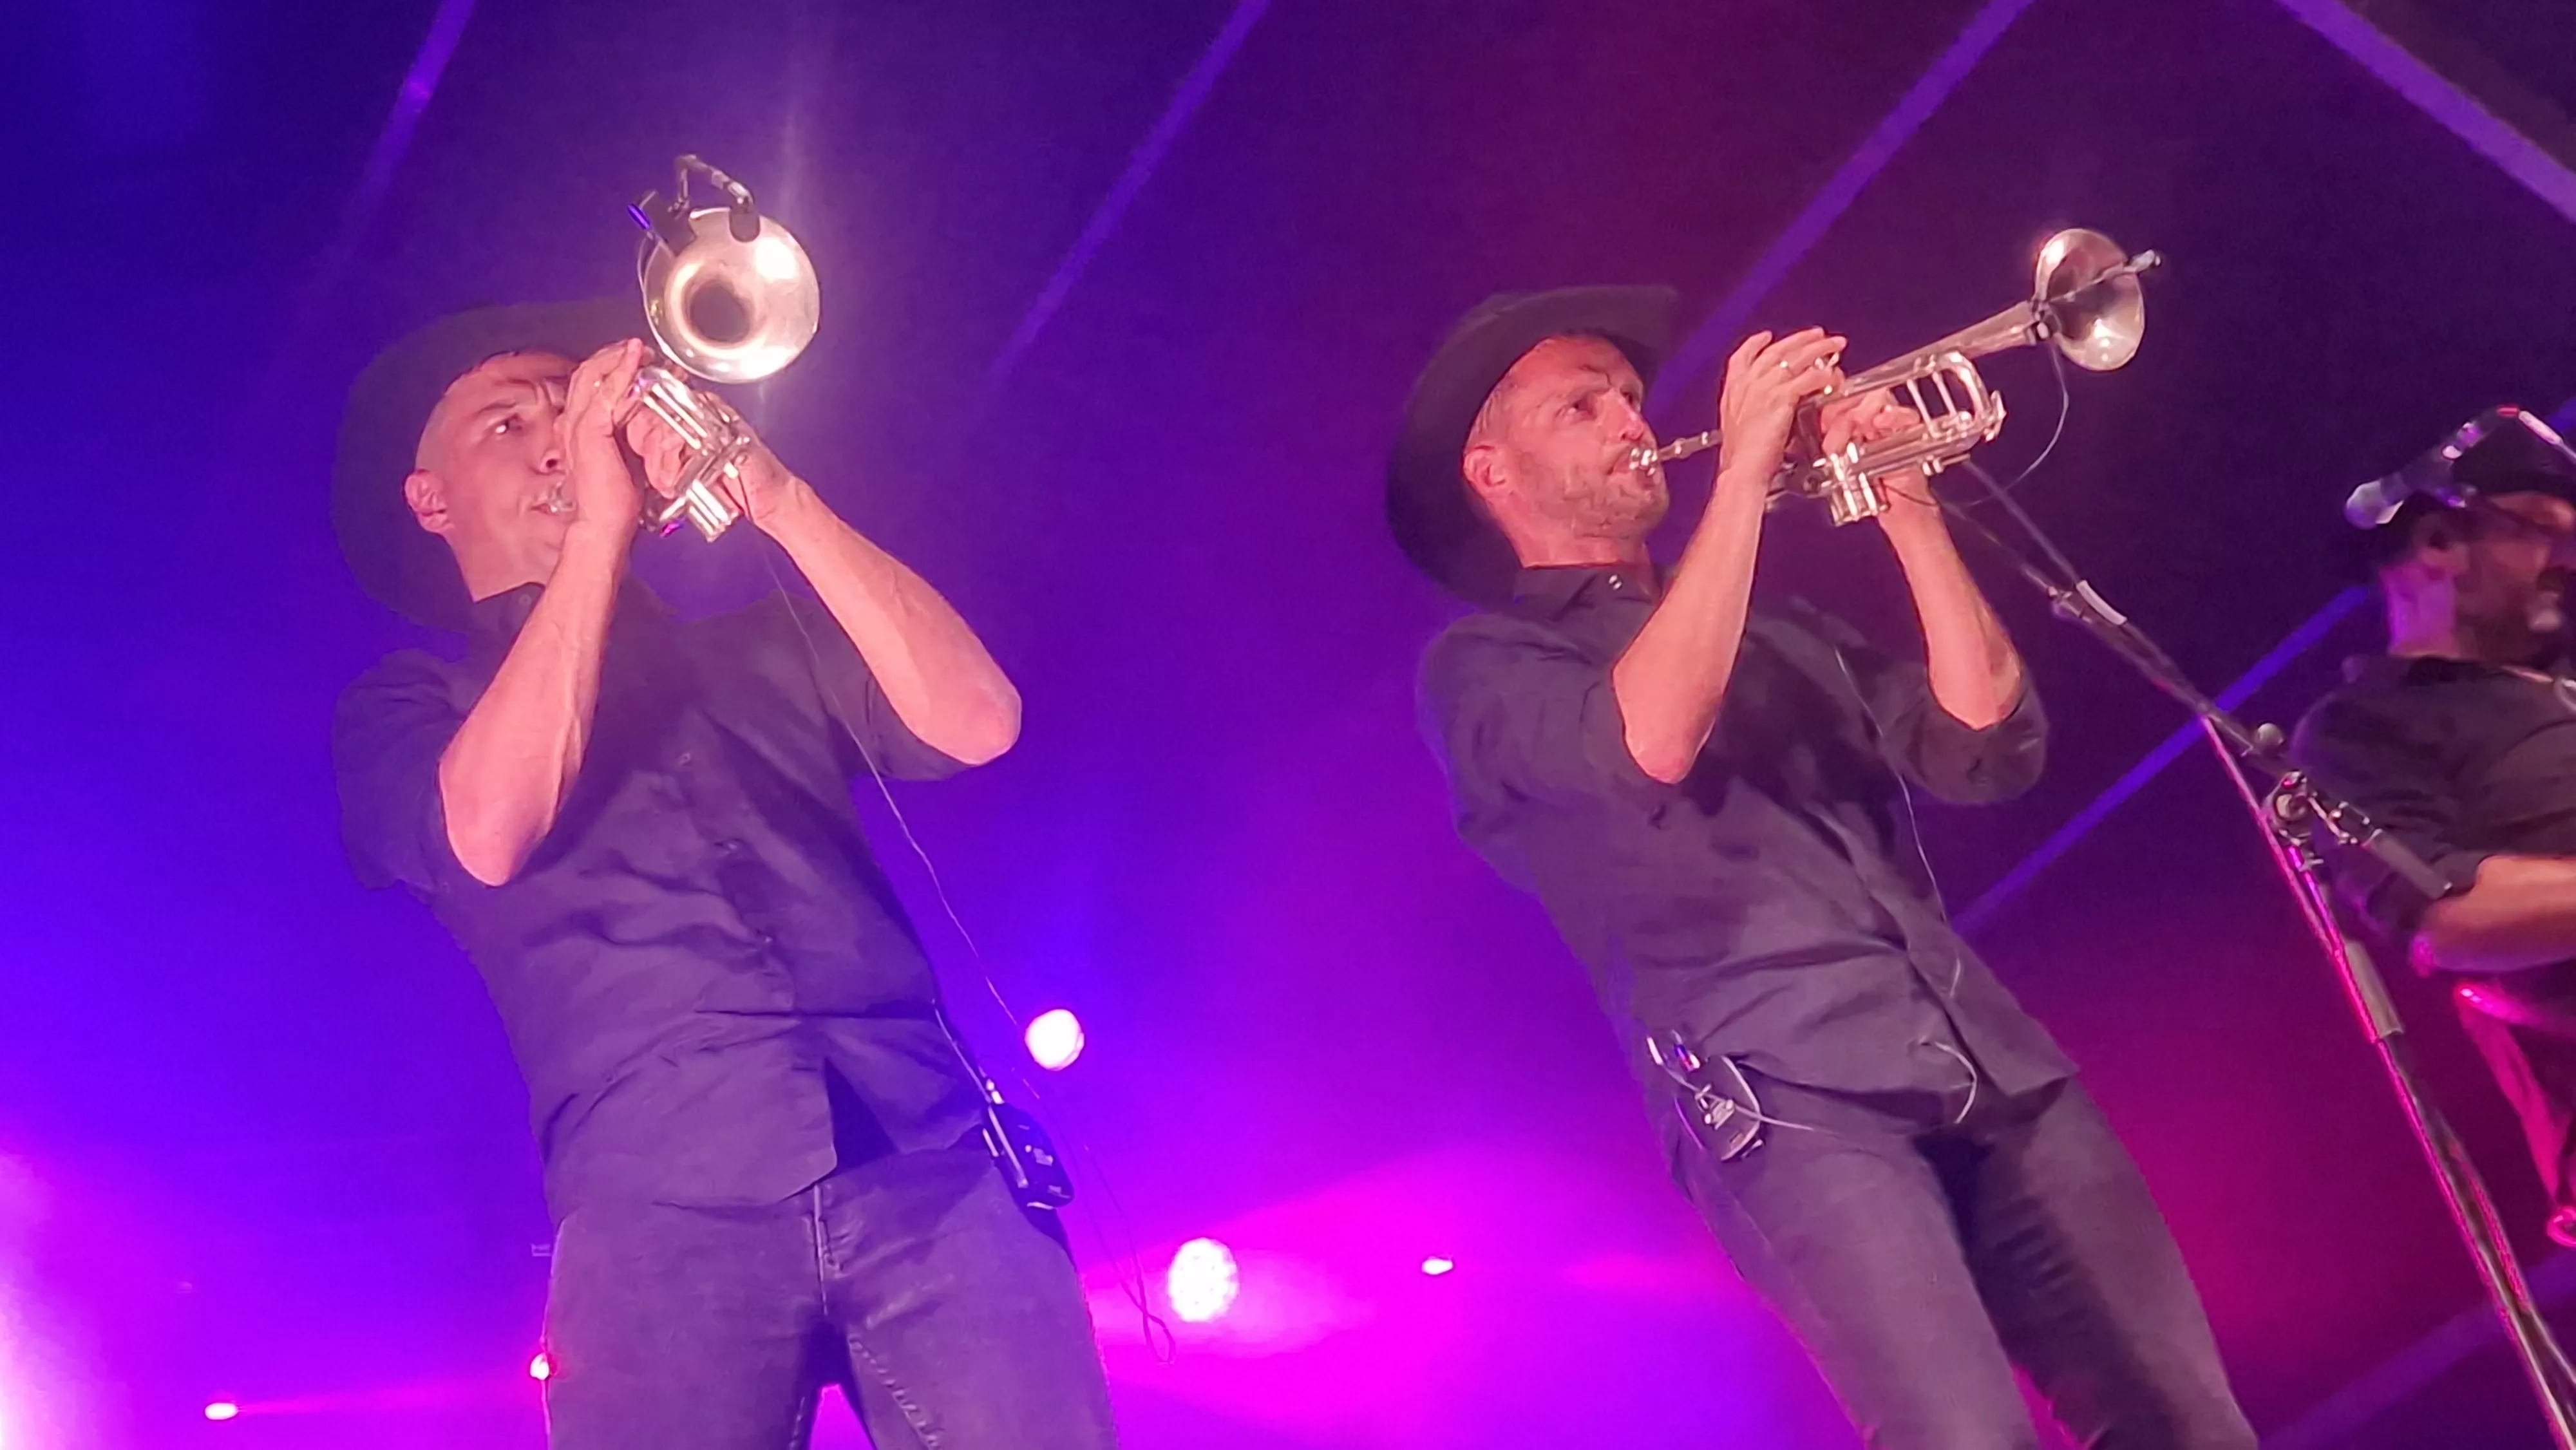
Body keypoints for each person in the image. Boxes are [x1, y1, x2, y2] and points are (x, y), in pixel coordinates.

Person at [1387, 287, 2255, 1449]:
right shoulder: (1486, 668)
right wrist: (1743, 473)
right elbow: (1645, 741)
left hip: (1979, 1051)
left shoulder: (1782, 630)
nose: (1632, 423)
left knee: (2189, 1424)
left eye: (1632, 398)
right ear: (1492, 472)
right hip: (1782, 1094)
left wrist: (1907, 507)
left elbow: (1986, 743)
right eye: (1583, 407)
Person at [327, 301, 1119, 1449]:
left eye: (571, 406)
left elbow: (980, 720)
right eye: (511, 424)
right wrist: (597, 535)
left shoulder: (756, 641)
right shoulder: (407, 705)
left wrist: (773, 490)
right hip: (657, 1199)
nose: (560, 437)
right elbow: (487, 832)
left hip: (926, 1151)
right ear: (431, 499)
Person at [2291, 406, 2576, 1243]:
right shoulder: (2358, 730)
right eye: (2544, 534)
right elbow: (2449, 919)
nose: (2569, 562)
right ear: (2438, 544)